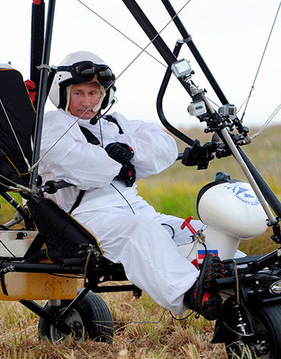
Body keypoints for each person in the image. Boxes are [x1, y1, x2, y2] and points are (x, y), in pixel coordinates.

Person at [38, 51, 224, 319]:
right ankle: (193, 293)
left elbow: (164, 147)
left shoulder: (114, 123)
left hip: (138, 210)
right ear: (63, 92)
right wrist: (114, 159)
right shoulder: (53, 125)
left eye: (94, 93)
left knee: (200, 232)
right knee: (141, 231)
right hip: (88, 219)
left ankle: (244, 284)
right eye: (79, 93)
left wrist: (128, 149)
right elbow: (76, 164)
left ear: (106, 95)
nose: (87, 101)